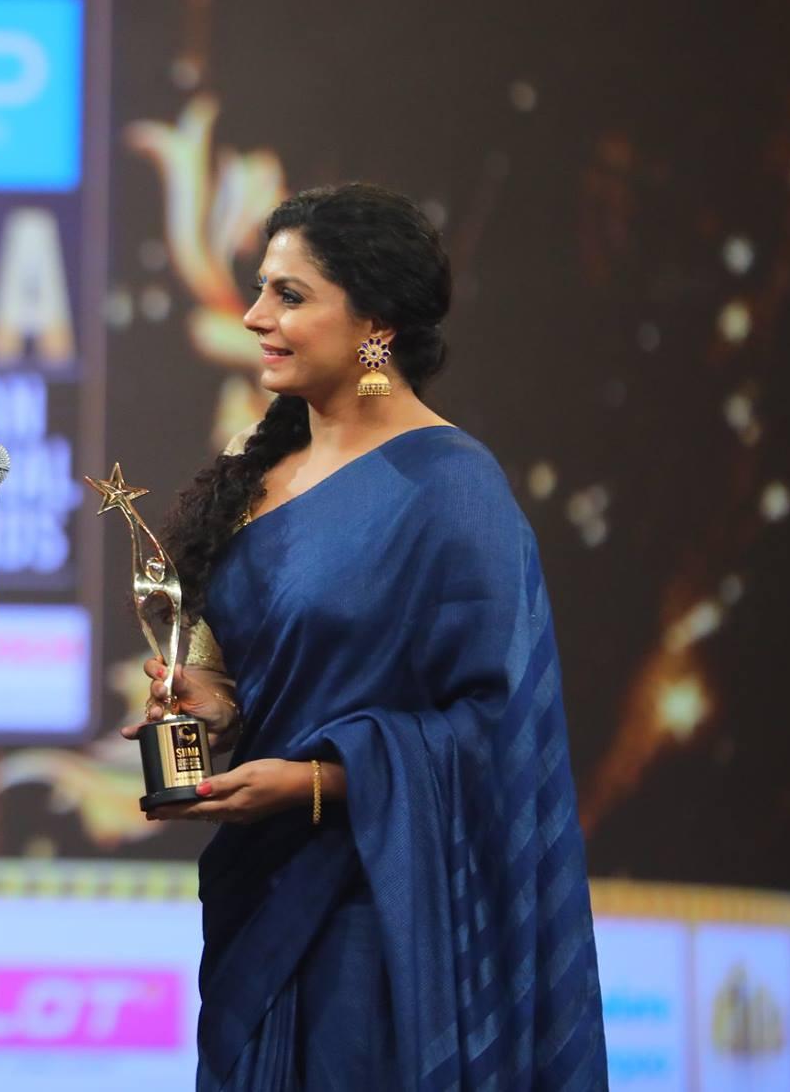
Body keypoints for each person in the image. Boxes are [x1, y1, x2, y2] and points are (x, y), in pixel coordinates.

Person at [132, 183, 608, 1090]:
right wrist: (219, 705)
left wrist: (314, 781)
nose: (255, 315)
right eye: (261, 289)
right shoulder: (263, 471)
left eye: (290, 295)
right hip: (258, 906)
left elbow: (496, 732)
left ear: (376, 325)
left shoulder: (451, 487)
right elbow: (289, 676)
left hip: (376, 920)